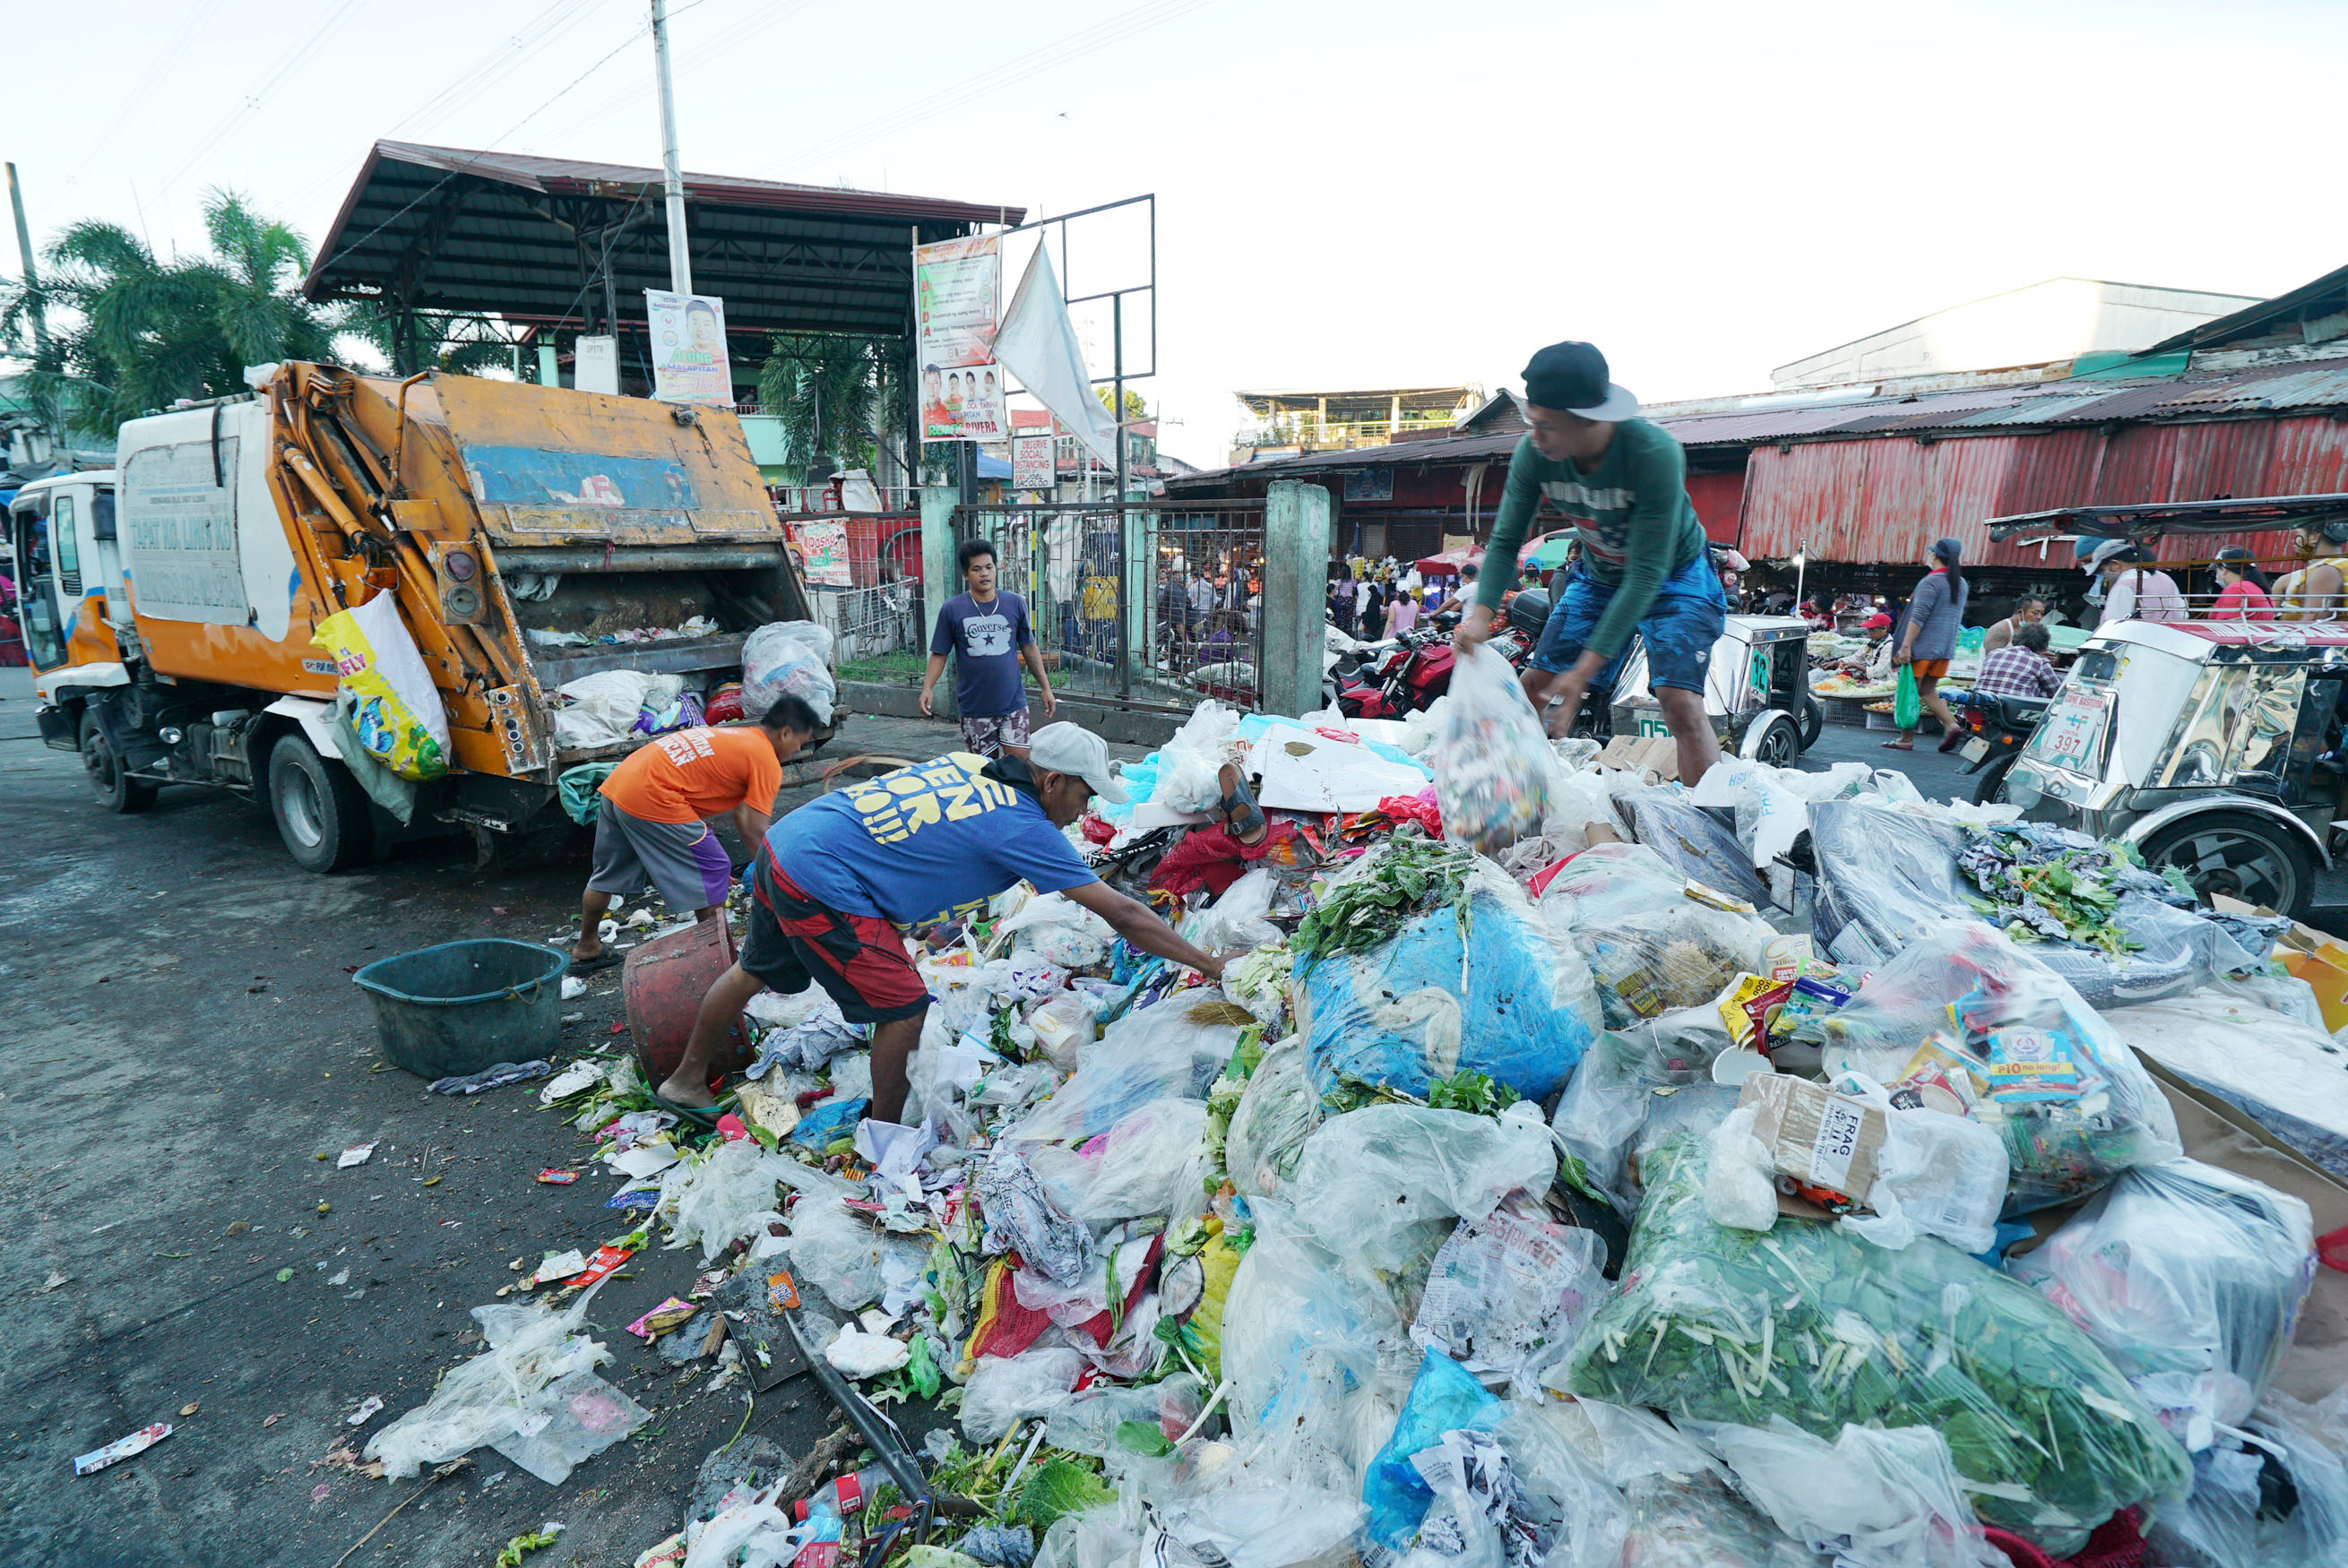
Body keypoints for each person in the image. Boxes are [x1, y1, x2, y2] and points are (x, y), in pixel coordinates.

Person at [656, 724, 1225, 1121]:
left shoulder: (973, 769)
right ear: (1051, 781)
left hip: (789, 842)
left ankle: (684, 1080)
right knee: (903, 1009)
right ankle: (887, 1142)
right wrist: (1210, 963)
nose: (1087, 809)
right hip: (823, 880)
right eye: (1083, 794)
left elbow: (917, 839)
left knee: (753, 970)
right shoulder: (1023, 826)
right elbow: (1123, 913)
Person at [1455, 340, 1726, 780]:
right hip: (1598, 574)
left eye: (1546, 426)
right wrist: (1480, 614)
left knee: (1679, 702)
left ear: (1588, 421)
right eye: (1531, 422)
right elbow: (1505, 540)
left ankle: (1706, 823)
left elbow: (1645, 576)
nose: (1534, 437)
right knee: (1533, 689)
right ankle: (1515, 804)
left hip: (1674, 575)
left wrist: (1583, 673)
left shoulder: (1652, 454)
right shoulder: (1535, 453)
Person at [570, 696, 822, 974]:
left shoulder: (736, 738)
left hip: (620, 784)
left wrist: (759, 868)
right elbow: (757, 829)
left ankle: (587, 945)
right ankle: (720, 964)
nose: (799, 747)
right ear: (785, 732)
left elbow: (742, 816)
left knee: (606, 875)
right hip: (654, 795)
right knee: (714, 866)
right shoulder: (765, 759)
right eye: (800, 740)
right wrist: (776, 884)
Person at [920, 538, 1055, 757]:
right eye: (976, 569)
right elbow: (939, 653)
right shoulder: (952, 609)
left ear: (996, 568)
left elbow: (1029, 648)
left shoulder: (1014, 603)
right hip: (975, 710)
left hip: (1013, 704)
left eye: (988, 567)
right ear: (966, 574)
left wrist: (1046, 688)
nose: (984, 573)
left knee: (1018, 769)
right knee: (985, 774)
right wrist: (927, 688)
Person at [1886, 538, 1970, 754]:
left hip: (1923, 647)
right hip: (1944, 648)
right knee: (1927, 689)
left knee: (1908, 690)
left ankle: (1905, 738)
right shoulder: (1960, 583)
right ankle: (1951, 725)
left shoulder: (1930, 582)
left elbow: (1919, 616)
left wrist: (1906, 646)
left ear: (1934, 555)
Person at [2085, 540, 2187, 627]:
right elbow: (2182, 614)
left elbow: (2113, 624)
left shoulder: (2125, 584)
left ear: (2114, 564)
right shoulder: (2165, 578)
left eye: (2102, 571)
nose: (2104, 575)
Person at [1972, 620, 2064, 702]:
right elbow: (2057, 693)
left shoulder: (1994, 653)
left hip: (1979, 703)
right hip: (2013, 712)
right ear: (2043, 645)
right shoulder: (2040, 662)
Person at [2277, 521, 2348, 620]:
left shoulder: (2325, 571)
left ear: (2314, 537)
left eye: (2298, 534)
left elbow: (2312, 624)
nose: (2294, 541)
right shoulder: (2342, 567)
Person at [2213, 547, 2275, 621]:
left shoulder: (2235, 589)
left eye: (2219, 569)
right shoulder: (2257, 588)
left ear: (2224, 570)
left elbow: (2228, 625)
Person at [1981, 594, 2048, 652]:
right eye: (2035, 613)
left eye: (2042, 614)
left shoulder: (2026, 631)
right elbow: (1993, 660)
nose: (2039, 617)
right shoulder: (1999, 631)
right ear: (2020, 613)